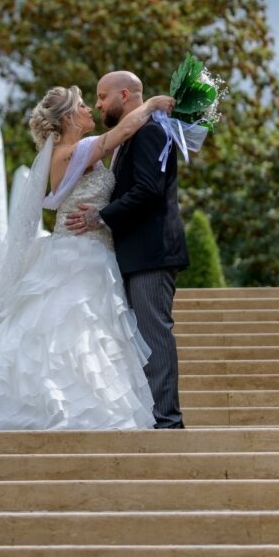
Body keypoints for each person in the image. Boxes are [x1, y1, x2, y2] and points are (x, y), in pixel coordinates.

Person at [0, 84, 175, 432]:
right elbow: (122, 132)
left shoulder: (73, 151)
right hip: (79, 254)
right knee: (74, 330)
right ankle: (61, 406)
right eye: (82, 105)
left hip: (93, 253)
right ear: (67, 118)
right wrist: (153, 103)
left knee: (85, 332)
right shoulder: (69, 152)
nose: (90, 109)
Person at [66, 71, 189, 429]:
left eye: (102, 97)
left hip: (151, 253)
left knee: (153, 334)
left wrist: (101, 216)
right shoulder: (136, 133)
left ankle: (167, 421)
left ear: (124, 94)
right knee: (141, 338)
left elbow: (149, 190)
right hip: (135, 254)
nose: (99, 104)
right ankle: (151, 416)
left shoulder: (150, 132)